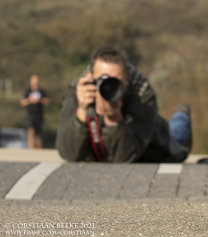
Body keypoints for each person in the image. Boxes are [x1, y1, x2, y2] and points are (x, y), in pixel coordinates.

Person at [56, 47, 192, 163]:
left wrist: (114, 119)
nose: (110, 87)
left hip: (155, 141)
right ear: (91, 77)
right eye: (104, 80)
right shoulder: (80, 90)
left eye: (117, 81)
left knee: (177, 137)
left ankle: (181, 114)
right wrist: (81, 111)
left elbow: (126, 158)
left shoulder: (142, 93)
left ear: (128, 78)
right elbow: (68, 154)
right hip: (104, 148)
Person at [20, 74, 50, 148]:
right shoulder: (27, 91)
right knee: (30, 131)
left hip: (39, 114)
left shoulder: (42, 91)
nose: (35, 83)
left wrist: (39, 100)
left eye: (36, 81)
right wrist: (29, 100)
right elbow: (22, 102)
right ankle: (31, 149)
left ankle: (39, 149)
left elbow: (48, 101)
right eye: (33, 81)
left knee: (38, 133)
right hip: (30, 114)